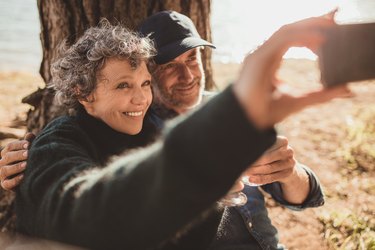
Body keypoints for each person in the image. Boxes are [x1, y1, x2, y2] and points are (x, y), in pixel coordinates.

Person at [0, 11, 345, 250]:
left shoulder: (159, 123)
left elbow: (308, 197)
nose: (139, 97)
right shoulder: (116, 134)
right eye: (123, 85)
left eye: (192, 59)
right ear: (84, 95)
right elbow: (89, 212)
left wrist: (290, 170)